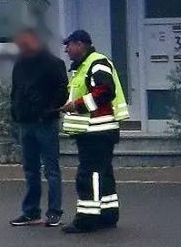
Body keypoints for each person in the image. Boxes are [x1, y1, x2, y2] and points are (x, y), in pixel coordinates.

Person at [61, 30, 128, 234]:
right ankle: (107, 214)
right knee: (103, 173)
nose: (66, 50)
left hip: (96, 130)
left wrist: (77, 105)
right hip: (97, 130)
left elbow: (105, 91)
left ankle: (87, 219)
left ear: (80, 44)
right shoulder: (85, 66)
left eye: (69, 45)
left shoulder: (96, 63)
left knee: (89, 175)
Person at [9, 27, 69, 227]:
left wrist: (49, 111)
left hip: (45, 123)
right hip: (25, 122)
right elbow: (15, 90)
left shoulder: (53, 63)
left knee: (51, 169)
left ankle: (54, 211)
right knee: (30, 168)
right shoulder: (20, 64)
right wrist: (15, 111)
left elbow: (62, 90)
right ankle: (31, 212)